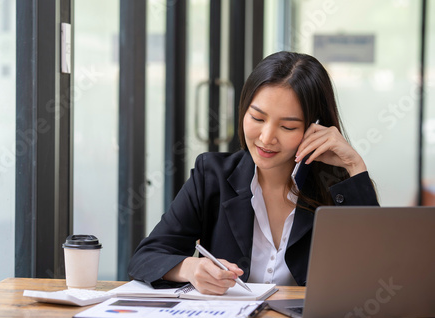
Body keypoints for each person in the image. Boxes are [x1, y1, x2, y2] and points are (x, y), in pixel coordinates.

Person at [128, 51, 379, 295]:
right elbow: (145, 258)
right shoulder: (211, 174)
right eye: (257, 118)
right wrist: (190, 268)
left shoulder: (336, 187)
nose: (266, 138)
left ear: (316, 127)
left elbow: (376, 270)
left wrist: (355, 166)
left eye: (287, 126)